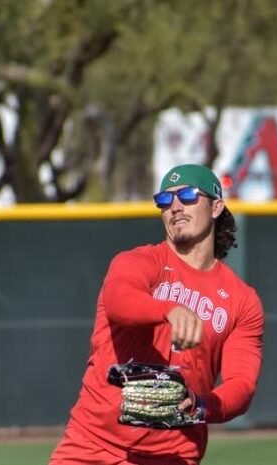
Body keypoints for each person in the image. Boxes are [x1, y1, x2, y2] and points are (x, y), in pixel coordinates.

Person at [49, 164, 265, 465]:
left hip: (173, 455)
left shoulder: (243, 301)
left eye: (188, 196)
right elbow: (119, 301)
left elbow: (242, 383)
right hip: (92, 446)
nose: (175, 206)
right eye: (165, 200)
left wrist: (200, 405)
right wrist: (167, 310)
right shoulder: (136, 263)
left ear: (216, 207)